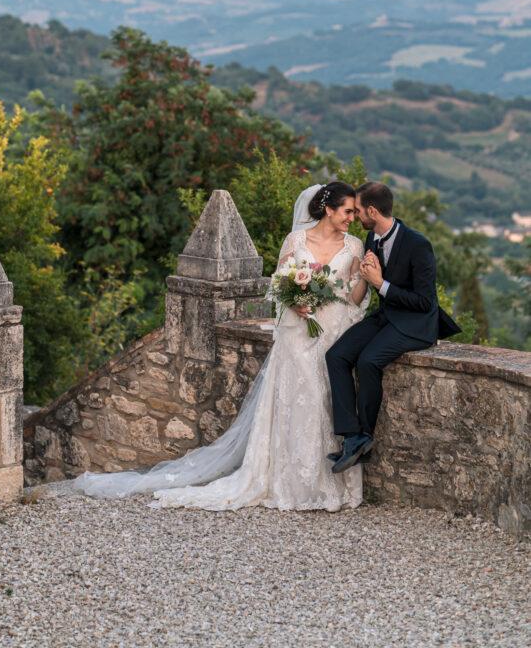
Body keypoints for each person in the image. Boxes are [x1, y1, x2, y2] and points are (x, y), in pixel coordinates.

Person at [66, 182, 372, 512]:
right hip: (298, 333)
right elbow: (280, 281)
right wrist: (295, 301)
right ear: (328, 209)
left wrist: (367, 278)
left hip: (333, 333)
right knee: (298, 404)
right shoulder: (296, 240)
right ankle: (292, 486)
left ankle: (327, 486)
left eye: (354, 212)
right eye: (348, 211)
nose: (353, 217)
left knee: (326, 404)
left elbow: (353, 299)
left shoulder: (354, 245)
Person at [325, 181, 461, 473]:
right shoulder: (373, 238)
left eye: (358, 210)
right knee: (335, 356)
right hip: (387, 316)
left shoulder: (418, 244)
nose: (355, 216)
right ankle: (351, 438)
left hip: (416, 323)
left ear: (372, 211)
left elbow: (426, 302)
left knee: (368, 360)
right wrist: (369, 276)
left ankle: (365, 435)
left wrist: (380, 284)